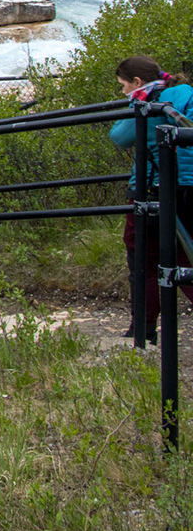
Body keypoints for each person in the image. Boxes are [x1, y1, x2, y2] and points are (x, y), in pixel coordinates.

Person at [109, 55, 193, 340]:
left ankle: (143, 330)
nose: (122, 92)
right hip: (189, 188)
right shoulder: (187, 94)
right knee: (185, 257)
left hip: (153, 190)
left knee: (141, 258)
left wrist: (134, 103)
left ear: (137, 82)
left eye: (123, 86)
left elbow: (119, 137)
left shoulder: (147, 102)